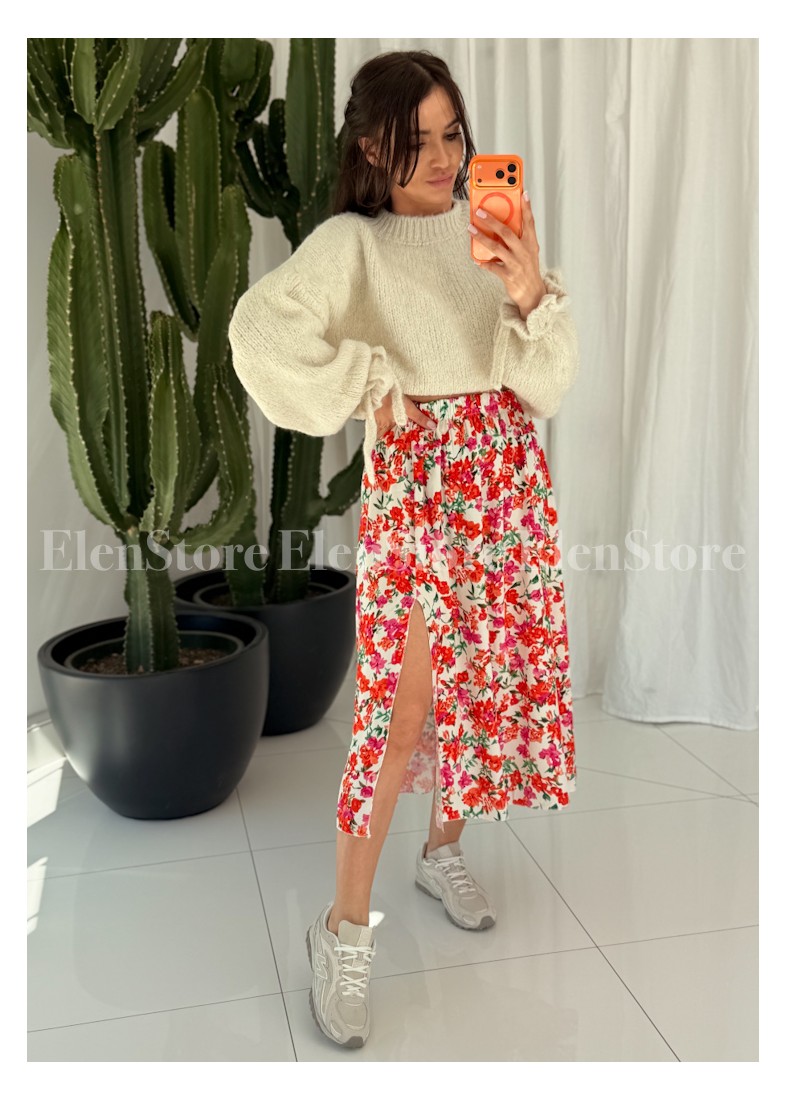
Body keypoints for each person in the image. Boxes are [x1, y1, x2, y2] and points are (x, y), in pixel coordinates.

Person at [228, 48, 580, 1049]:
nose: (441, 156)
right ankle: (342, 930)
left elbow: (548, 387)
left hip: (504, 482)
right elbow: (259, 331)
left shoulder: (490, 236)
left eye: (452, 133)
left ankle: (439, 850)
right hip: (422, 490)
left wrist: (531, 295)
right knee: (399, 708)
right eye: (414, 138)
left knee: (478, 684)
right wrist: (372, 378)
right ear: (372, 148)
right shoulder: (354, 244)